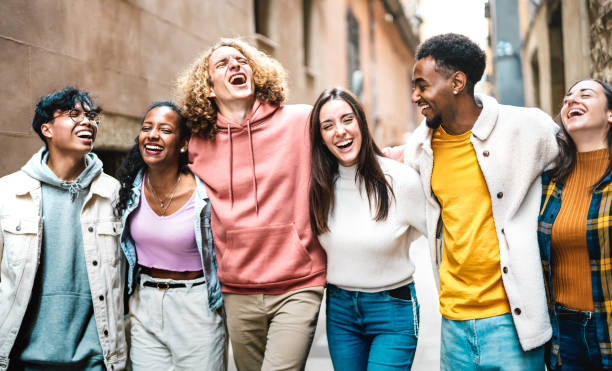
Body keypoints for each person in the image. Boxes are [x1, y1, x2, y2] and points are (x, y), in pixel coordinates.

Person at [386, 33, 559, 370]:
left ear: (457, 82)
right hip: (453, 323)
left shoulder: (527, 128)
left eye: (422, 85)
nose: (414, 96)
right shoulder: (422, 149)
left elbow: (579, 161)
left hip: (512, 322)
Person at [177, 38, 326, 370]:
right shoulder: (197, 141)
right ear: (209, 88)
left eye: (242, 60)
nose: (235, 65)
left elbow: (353, 148)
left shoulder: (300, 121)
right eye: (223, 63)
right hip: (237, 289)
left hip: (298, 283)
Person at [0, 87, 127, 370]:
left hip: (95, 358)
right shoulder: (8, 192)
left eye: (91, 116)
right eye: (74, 114)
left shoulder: (113, 192)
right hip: (21, 359)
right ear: (47, 128)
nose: (88, 121)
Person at [309, 87, 426, 370]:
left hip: (393, 309)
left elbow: (437, 235)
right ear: (321, 138)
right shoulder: (319, 186)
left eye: (347, 120)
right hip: (340, 311)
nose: (340, 131)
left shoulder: (400, 180)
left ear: (361, 123)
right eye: (328, 125)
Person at [115, 101, 225, 370]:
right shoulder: (128, 190)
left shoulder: (205, 193)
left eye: (165, 130)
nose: (153, 135)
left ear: (183, 143)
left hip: (196, 306)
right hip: (145, 302)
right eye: (146, 128)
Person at [538, 79, 612, 370]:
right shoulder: (549, 182)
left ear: (610, 114)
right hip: (564, 333)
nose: (571, 101)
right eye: (567, 98)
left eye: (586, 94)